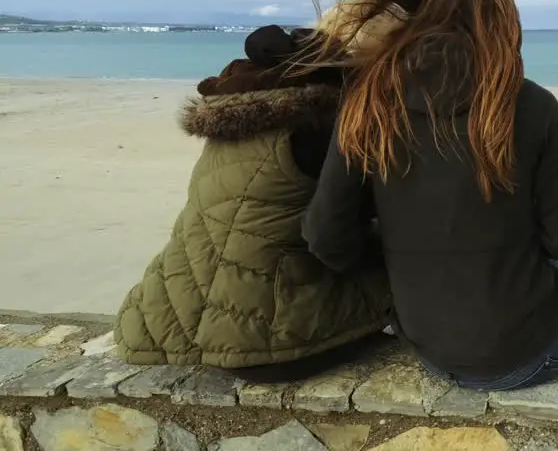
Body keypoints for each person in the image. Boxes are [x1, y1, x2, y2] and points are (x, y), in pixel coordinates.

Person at [302, 0, 558, 392]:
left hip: (429, 351)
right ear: (504, 29)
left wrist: (405, 255)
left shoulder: (369, 102)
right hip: (526, 356)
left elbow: (326, 238)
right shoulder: (533, 105)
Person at [113, 22, 395, 383]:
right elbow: (334, 238)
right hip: (268, 341)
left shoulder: (234, 122)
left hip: (172, 310)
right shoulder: (319, 131)